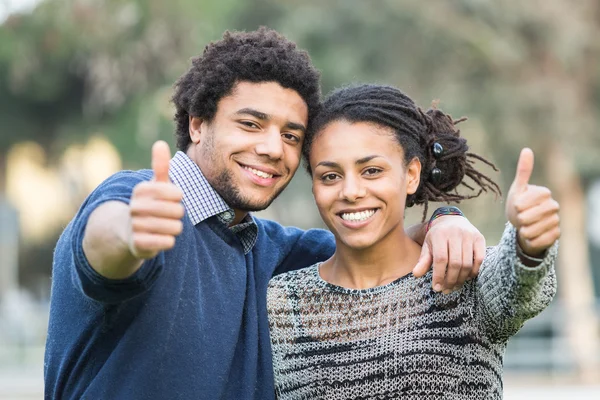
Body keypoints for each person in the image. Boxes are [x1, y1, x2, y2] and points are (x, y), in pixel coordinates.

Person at [45, 29, 487, 399]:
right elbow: (102, 246)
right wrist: (131, 235)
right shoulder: (137, 200)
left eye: (291, 135)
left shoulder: (274, 251)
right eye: (251, 124)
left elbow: (381, 243)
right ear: (198, 124)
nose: (273, 148)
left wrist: (444, 219)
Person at [268, 84, 560, 399]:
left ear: (411, 174)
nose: (350, 191)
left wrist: (529, 243)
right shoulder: (282, 302)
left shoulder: (458, 270)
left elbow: (516, 288)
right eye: (330, 176)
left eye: (371, 171)